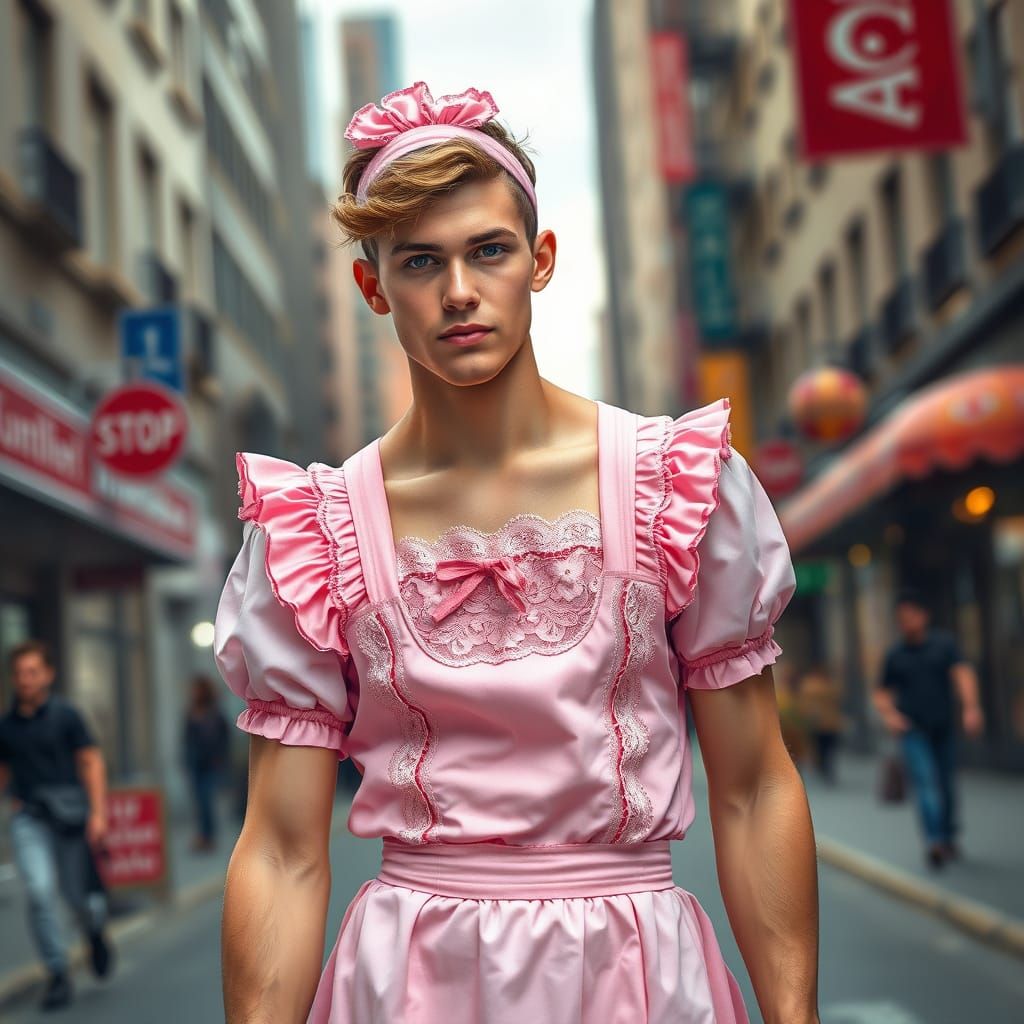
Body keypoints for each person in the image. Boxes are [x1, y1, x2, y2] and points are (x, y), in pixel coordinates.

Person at [214, 81, 818, 1023]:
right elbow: (283, 851)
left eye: (487, 250)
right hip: (409, 982)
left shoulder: (673, 483)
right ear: (373, 286)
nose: (459, 293)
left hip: (636, 974)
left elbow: (751, 785)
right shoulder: (315, 529)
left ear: (538, 260)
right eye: (420, 262)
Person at [0, 640, 115, 1011]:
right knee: (39, 891)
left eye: (33, 672)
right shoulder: (6, 726)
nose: (26, 680)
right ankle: (58, 973)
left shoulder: (66, 715)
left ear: (48, 674)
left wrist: (98, 814)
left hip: (69, 819)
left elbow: (91, 762)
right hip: (29, 819)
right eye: (19, 673)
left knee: (78, 898)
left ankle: (94, 932)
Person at [873, 589, 985, 870]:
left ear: (924, 616)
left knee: (946, 784)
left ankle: (947, 835)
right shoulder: (895, 654)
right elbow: (882, 692)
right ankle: (934, 841)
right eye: (902, 619)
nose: (906, 623)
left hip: (943, 726)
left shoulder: (943, 645)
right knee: (926, 782)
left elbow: (962, 673)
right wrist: (890, 715)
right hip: (913, 729)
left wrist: (971, 707)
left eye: (911, 616)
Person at [182, 674, 231, 853]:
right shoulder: (192, 712)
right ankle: (204, 835)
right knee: (199, 801)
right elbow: (187, 739)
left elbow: (224, 738)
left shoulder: (215, 713)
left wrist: (221, 759)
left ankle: (208, 835)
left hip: (211, 764)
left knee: (206, 800)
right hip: (196, 764)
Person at [797, 664, 845, 784]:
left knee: (822, 747)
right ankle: (824, 767)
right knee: (826, 748)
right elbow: (838, 697)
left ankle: (823, 767)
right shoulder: (826, 685)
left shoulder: (808, 685)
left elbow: (804, 703)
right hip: (825, 722)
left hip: (821, 722)